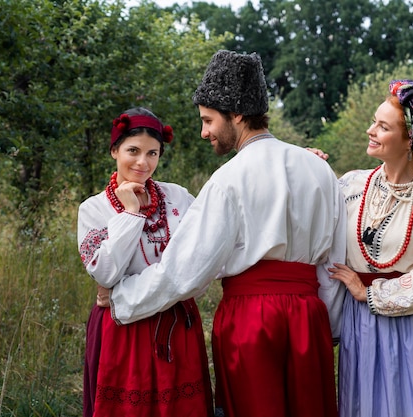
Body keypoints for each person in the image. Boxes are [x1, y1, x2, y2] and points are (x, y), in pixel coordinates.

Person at [101, 50, 347, 417]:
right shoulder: (319, 169)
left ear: (236, 114)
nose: (204, 132)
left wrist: (123, 299)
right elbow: (334, 262)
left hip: (252, 321)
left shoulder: (228, 180)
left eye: (208, 120)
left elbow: (184, 270)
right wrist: (327, 325)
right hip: (308, 318)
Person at [327, 80, 413, 417]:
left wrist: (370, 292)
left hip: (408, 325)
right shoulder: (351, 185)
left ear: (409, 139)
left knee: (412, 404)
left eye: (383, 127)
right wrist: (309, 168)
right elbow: (310, 215)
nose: (371, 131)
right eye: (374, 121)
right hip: (359, 326)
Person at [77, 107, 214, 417]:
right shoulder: (94, 209)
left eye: (153, 153)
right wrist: (131, 214)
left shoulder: (178, 198)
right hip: (122, 327)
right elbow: (106, 272)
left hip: (177, 325)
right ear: (114, 150)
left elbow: (201, 259)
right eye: (133, 151)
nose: (143, 162)